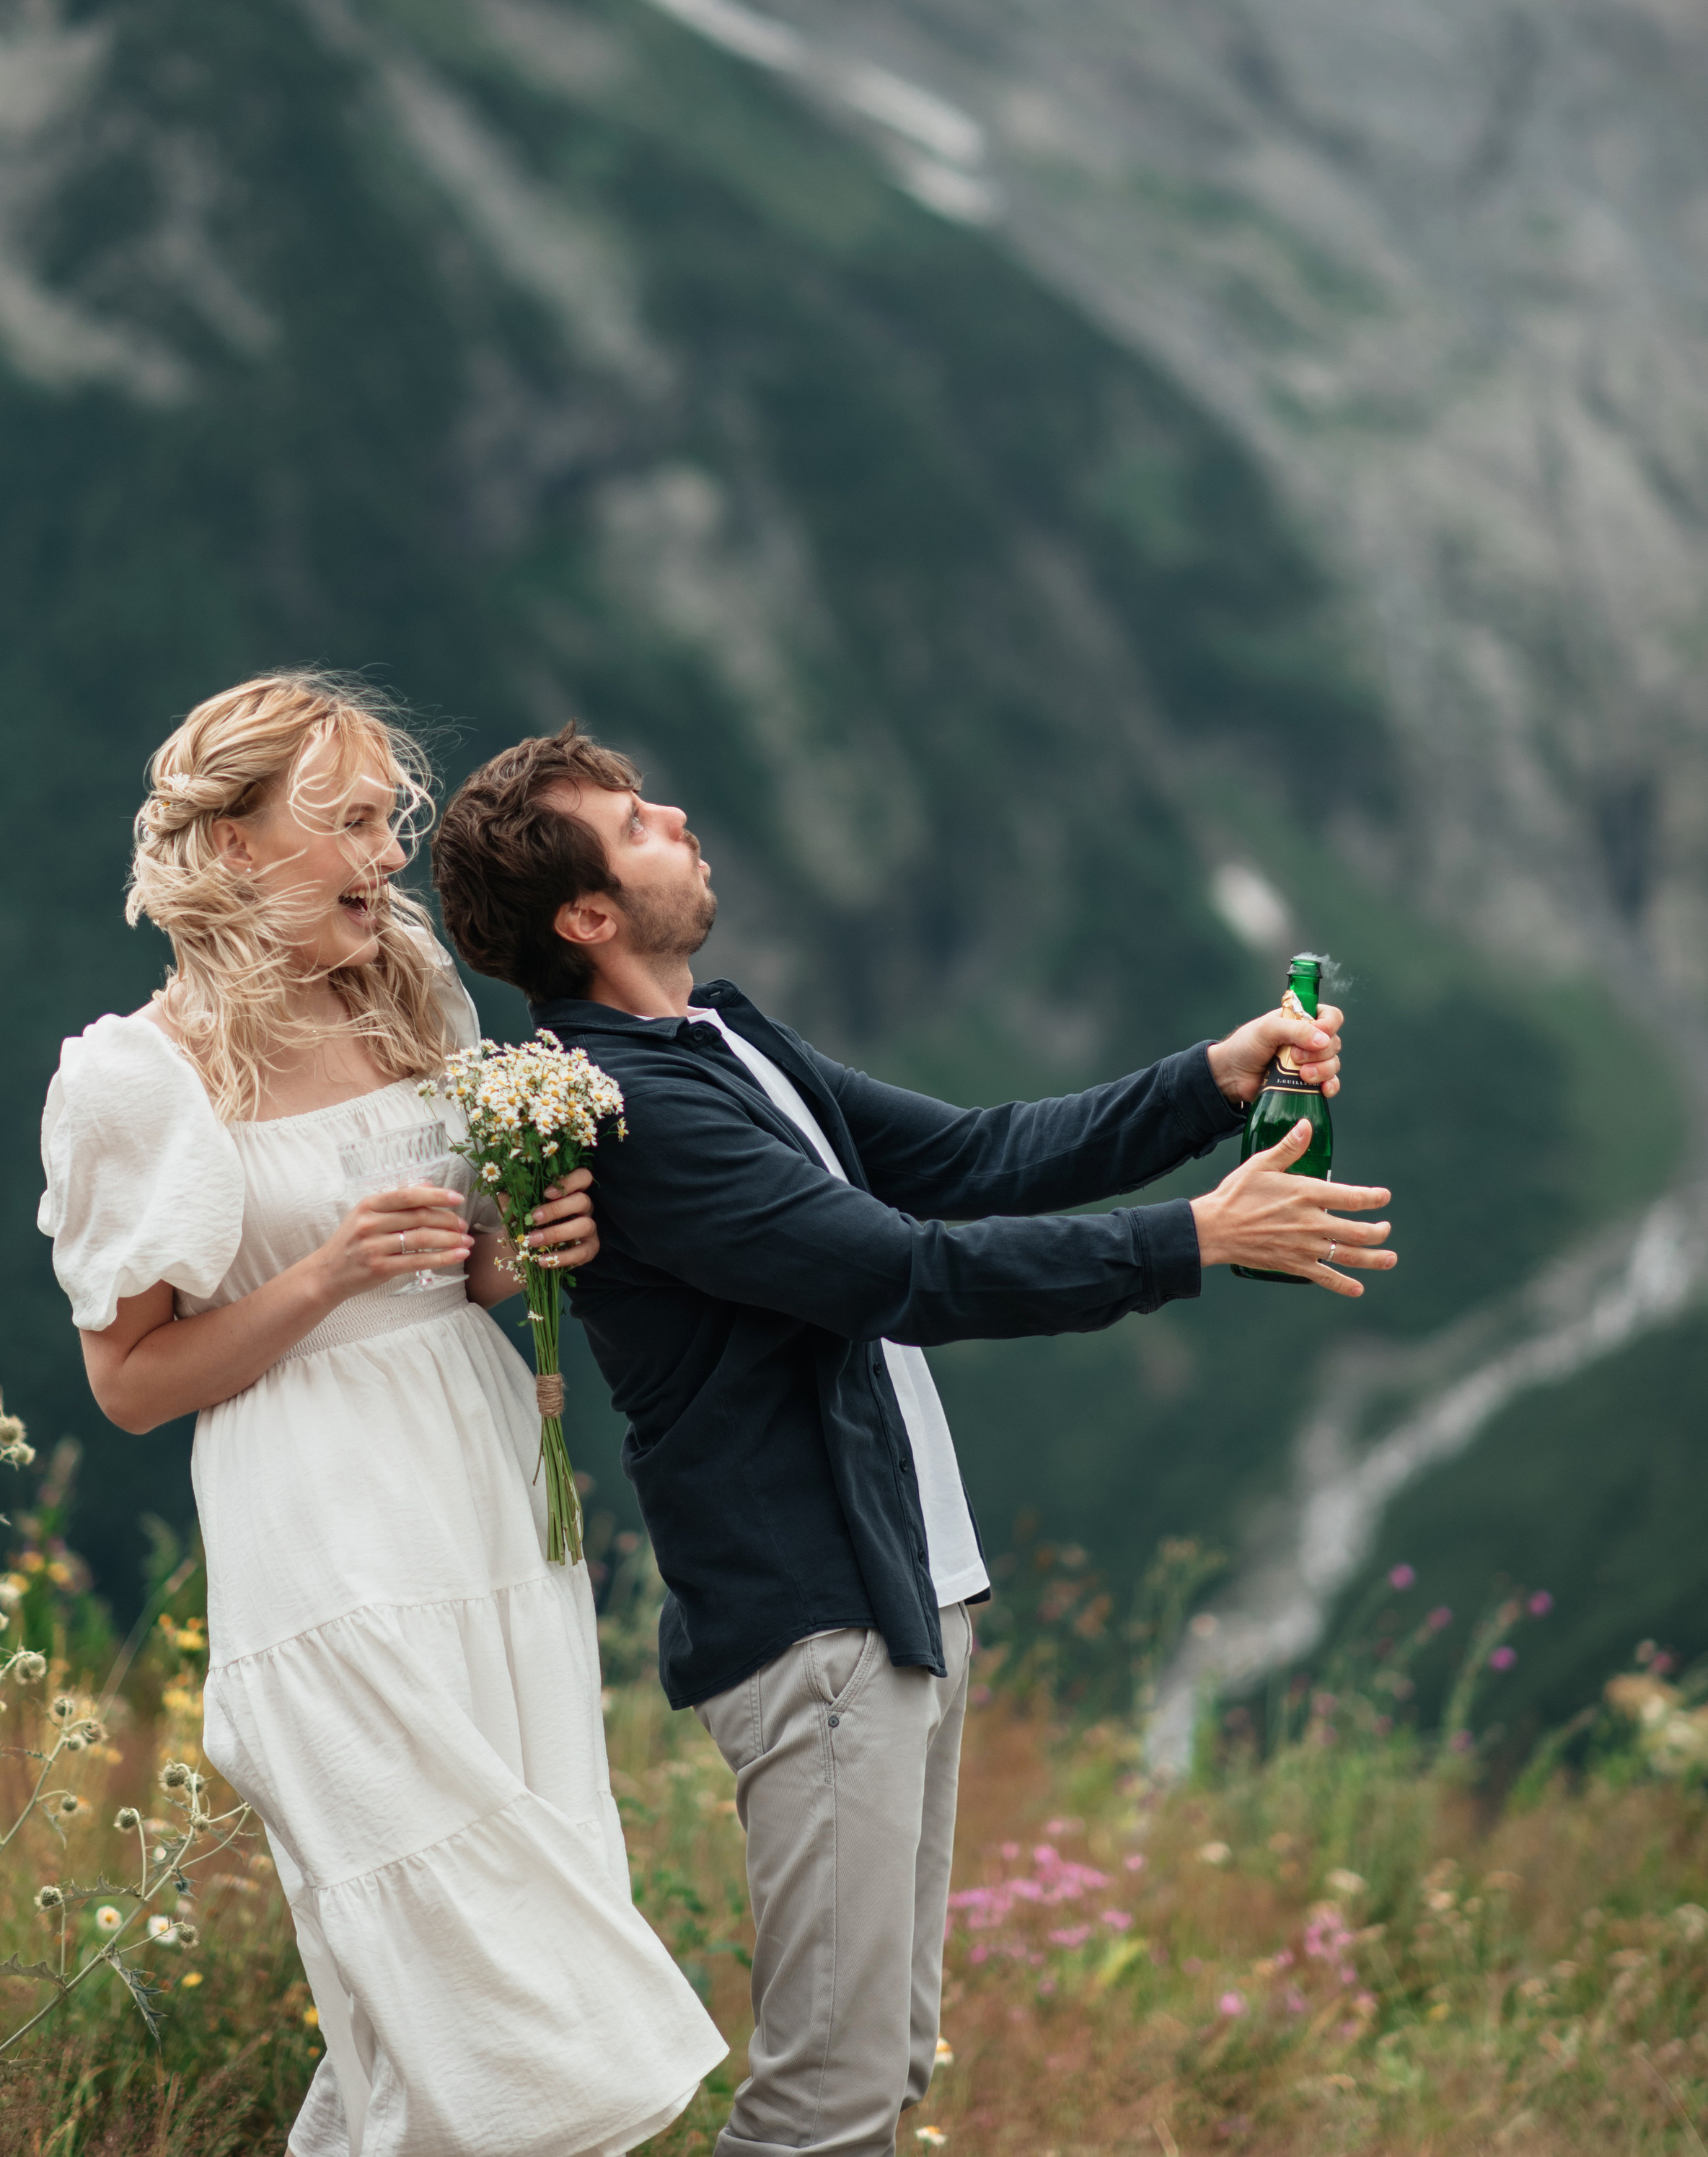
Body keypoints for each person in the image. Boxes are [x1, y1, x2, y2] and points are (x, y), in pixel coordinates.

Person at [431, 725, 1396, 2157]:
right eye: (636, 824)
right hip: (811, 1625)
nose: (678, 817)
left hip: (901, 1594)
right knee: (820, 2103)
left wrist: (1211, 1077)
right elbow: (901, 1273)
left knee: (881, 2077)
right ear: (584, 916)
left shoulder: (719, 1037)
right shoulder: (636, 1111)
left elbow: (965, 1158)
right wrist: (1193, 1239)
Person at [39, 677, 725, 2157]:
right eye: (344, 822)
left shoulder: (408, 989)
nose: (384, 857)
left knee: (448, 1996)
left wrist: (505, 1255)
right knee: (488, 1992)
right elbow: (130, 1384)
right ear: (228, 845)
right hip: (322, 1536)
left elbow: (457, 1268)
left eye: (386, 821)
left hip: (480, 1495)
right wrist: (332, 1272)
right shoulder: (132, 1077)